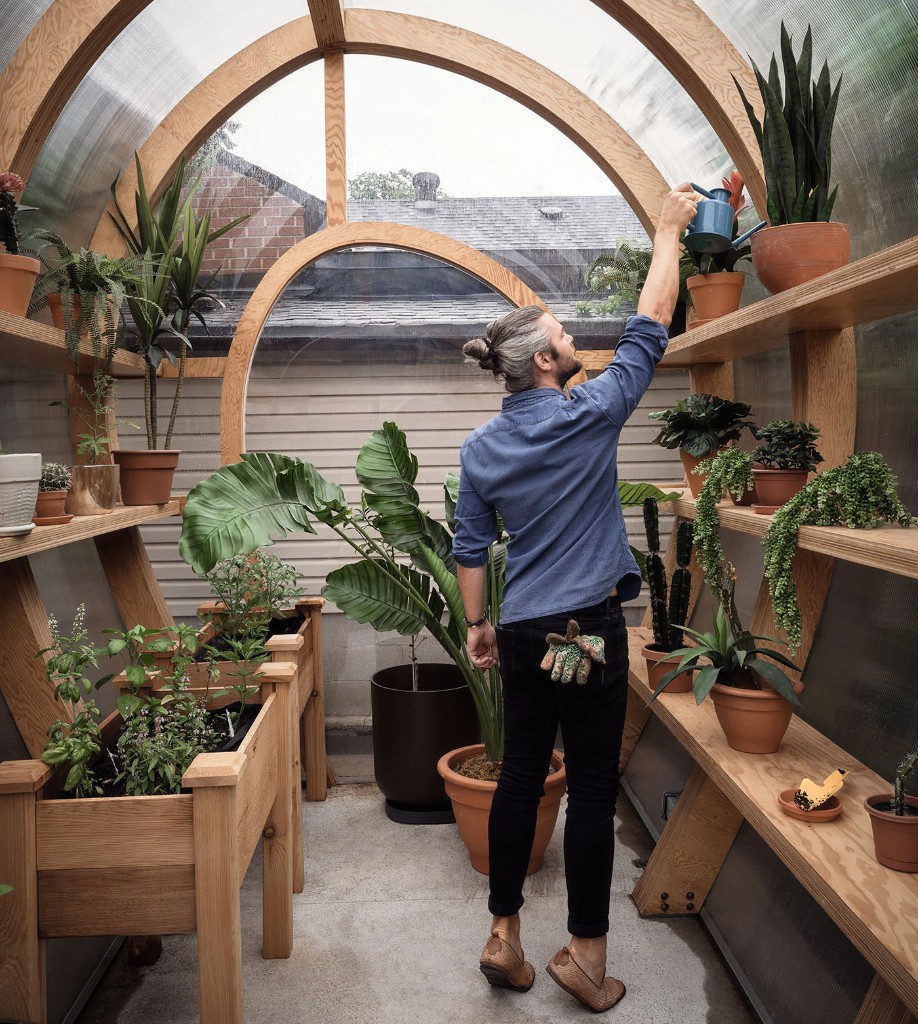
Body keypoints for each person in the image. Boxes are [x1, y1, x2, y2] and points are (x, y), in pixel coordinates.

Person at [452, 183, 699, 1013]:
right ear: (548, 364)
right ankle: (587, 961)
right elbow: (652, 318)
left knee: (522, 774)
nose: (573, 340)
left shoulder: (482, 447)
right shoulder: (589, 412)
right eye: (563, 335)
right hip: (585, 632)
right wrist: (667, 229)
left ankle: (504, 935)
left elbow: (469, 548)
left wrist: (479, 627)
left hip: (523, 631)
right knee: (591, 784)